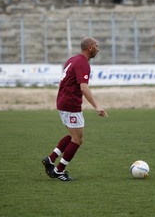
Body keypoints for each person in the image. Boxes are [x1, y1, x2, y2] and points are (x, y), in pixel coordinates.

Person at [42, 37, 108, 181]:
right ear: (89, 47)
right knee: (78, 139)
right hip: (70, 104)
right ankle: (59, 171)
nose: (98, 49)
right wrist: (97, 106)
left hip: (63, 101)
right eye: (97, 46)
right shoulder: (82, 63)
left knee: (74, 136)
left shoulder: (72, 59)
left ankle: (50, 159)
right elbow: (83, 87)